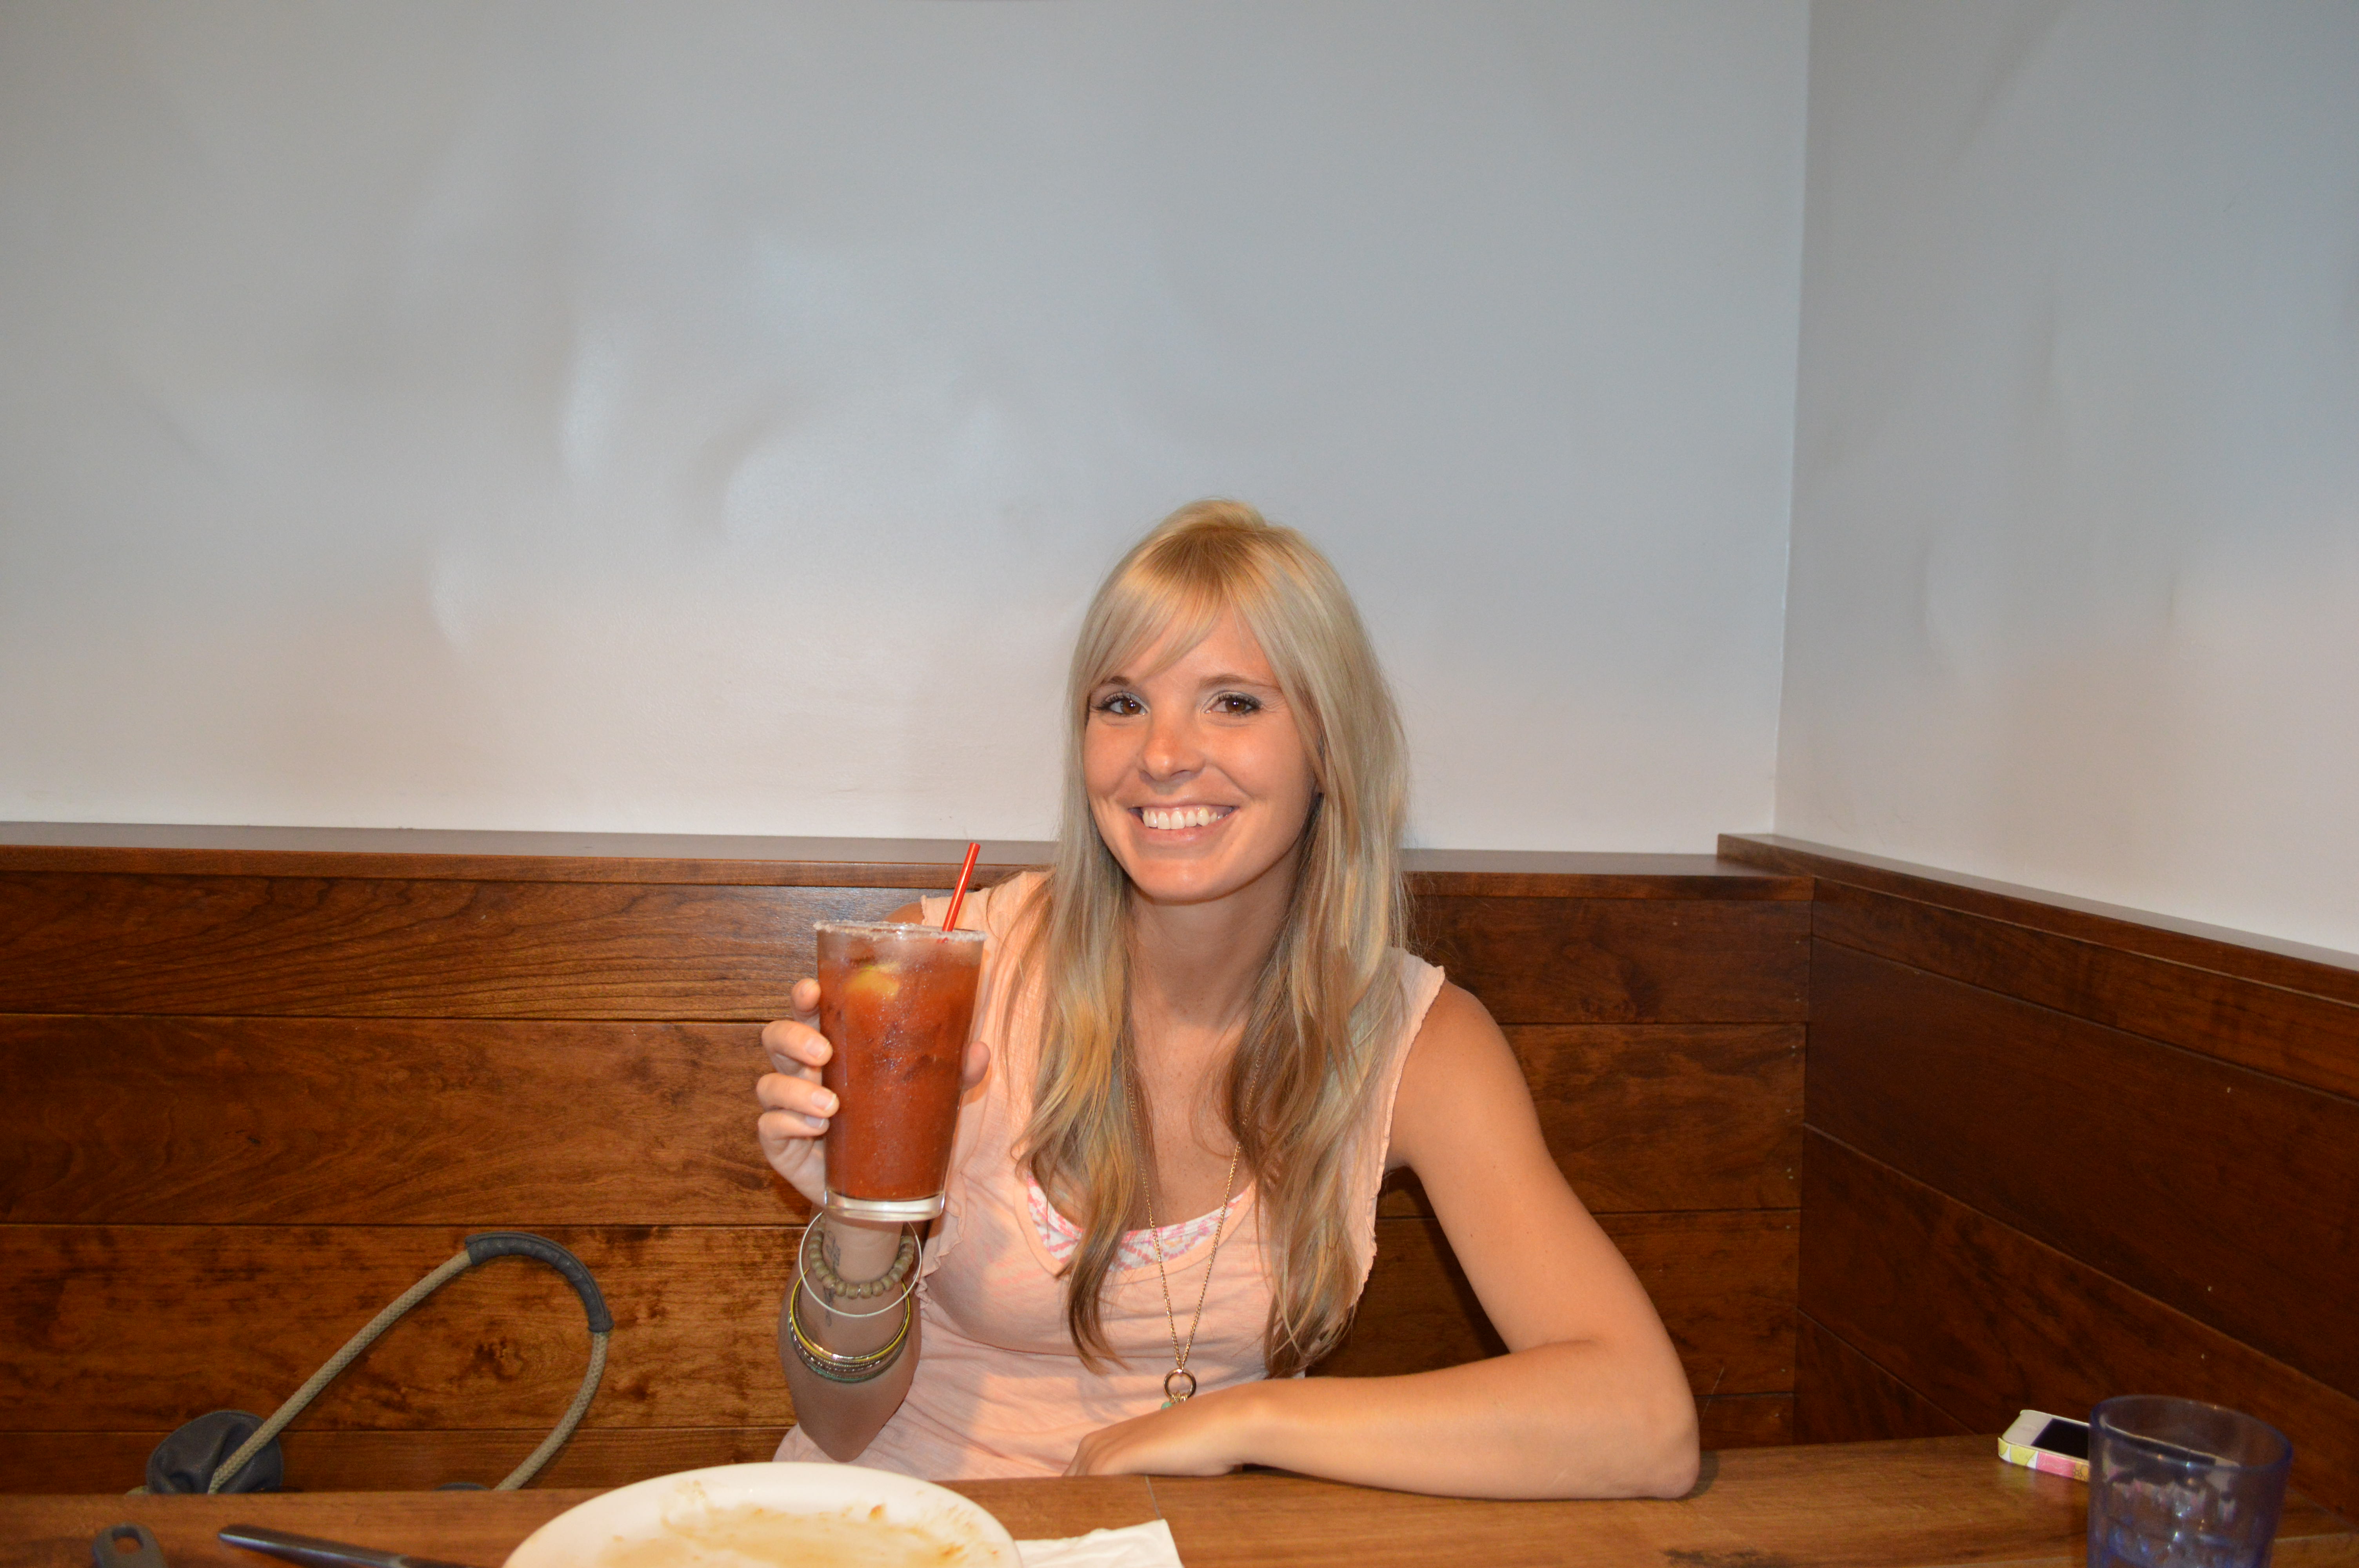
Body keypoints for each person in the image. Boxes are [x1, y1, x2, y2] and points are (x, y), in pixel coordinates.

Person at [752, 500, 1698, 1498]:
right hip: (903, 1520)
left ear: (1329, 746)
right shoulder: (938, 976)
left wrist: (1245, 1418)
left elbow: (1644, 1424)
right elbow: (839, 1424)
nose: (1162, 753)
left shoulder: (1418, 1042)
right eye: (1121, 702)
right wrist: (860, 1219)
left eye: (1234, 702)